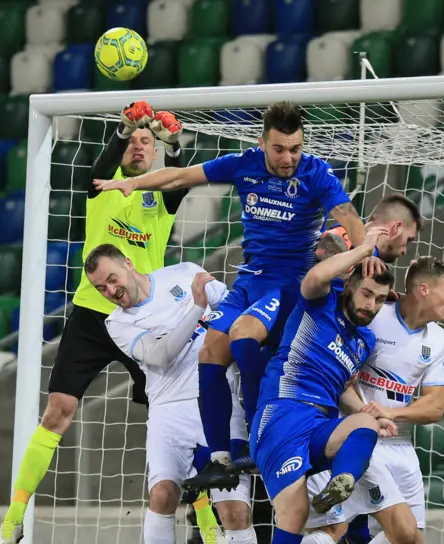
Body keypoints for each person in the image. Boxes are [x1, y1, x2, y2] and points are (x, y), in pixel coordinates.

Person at [0, 102, 225, 544]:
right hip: (91, 318)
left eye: (147, 141)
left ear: (156, 152)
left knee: (178, 415)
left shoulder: (159, 194)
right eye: (132, 142)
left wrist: (174, 141)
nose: (140, 147)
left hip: (147, 319)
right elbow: (99, 165)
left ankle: (205, 521)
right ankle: (13, 516)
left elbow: (180, 176)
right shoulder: (102, 189)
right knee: (57, 410)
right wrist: (125, 128)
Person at [93, 101, 368, 490]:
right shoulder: (244, 163)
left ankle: (260, 436)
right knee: (210, 350)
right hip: (249, 281)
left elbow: (350, 219)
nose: (288, 158)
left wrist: (364, 260)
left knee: (241, 334)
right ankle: (221, 458)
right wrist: (132, 182)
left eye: (295, 149)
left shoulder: (316, 173)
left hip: (289, 285)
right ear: (262, 142)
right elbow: (180, 177)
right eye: (279, 149)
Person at [84, 243, 264, 544]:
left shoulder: (183, 273)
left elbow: (232, 309)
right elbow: (162, 356)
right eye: (100, 287)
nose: (111, 290)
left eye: (112, 278)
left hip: (218, 399)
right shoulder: (117, 323)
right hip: (167, 409)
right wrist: (197, 310)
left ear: (128, 265)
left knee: (235, 511)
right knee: (163, 494)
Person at [250, 225, 396, 544]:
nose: (371, 305)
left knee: (366, 424)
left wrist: (370, 413)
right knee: (293, 518)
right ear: (349, 285)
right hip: (280, 416)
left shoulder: (363, 340)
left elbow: (344, 389)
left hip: (320, 422)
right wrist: (366, 246)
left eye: (380, 299)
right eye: (367, 293)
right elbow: (315, 278)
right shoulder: (319, 301)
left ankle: (343, 481)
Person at [332, 255, 444, 544]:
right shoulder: (375, 314)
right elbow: (339, 376)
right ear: (424, 288)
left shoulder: (435, 337)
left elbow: (435, 407)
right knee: (392, 532)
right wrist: (369, 415)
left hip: (401, 444)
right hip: (361, 437)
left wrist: (393, 412)